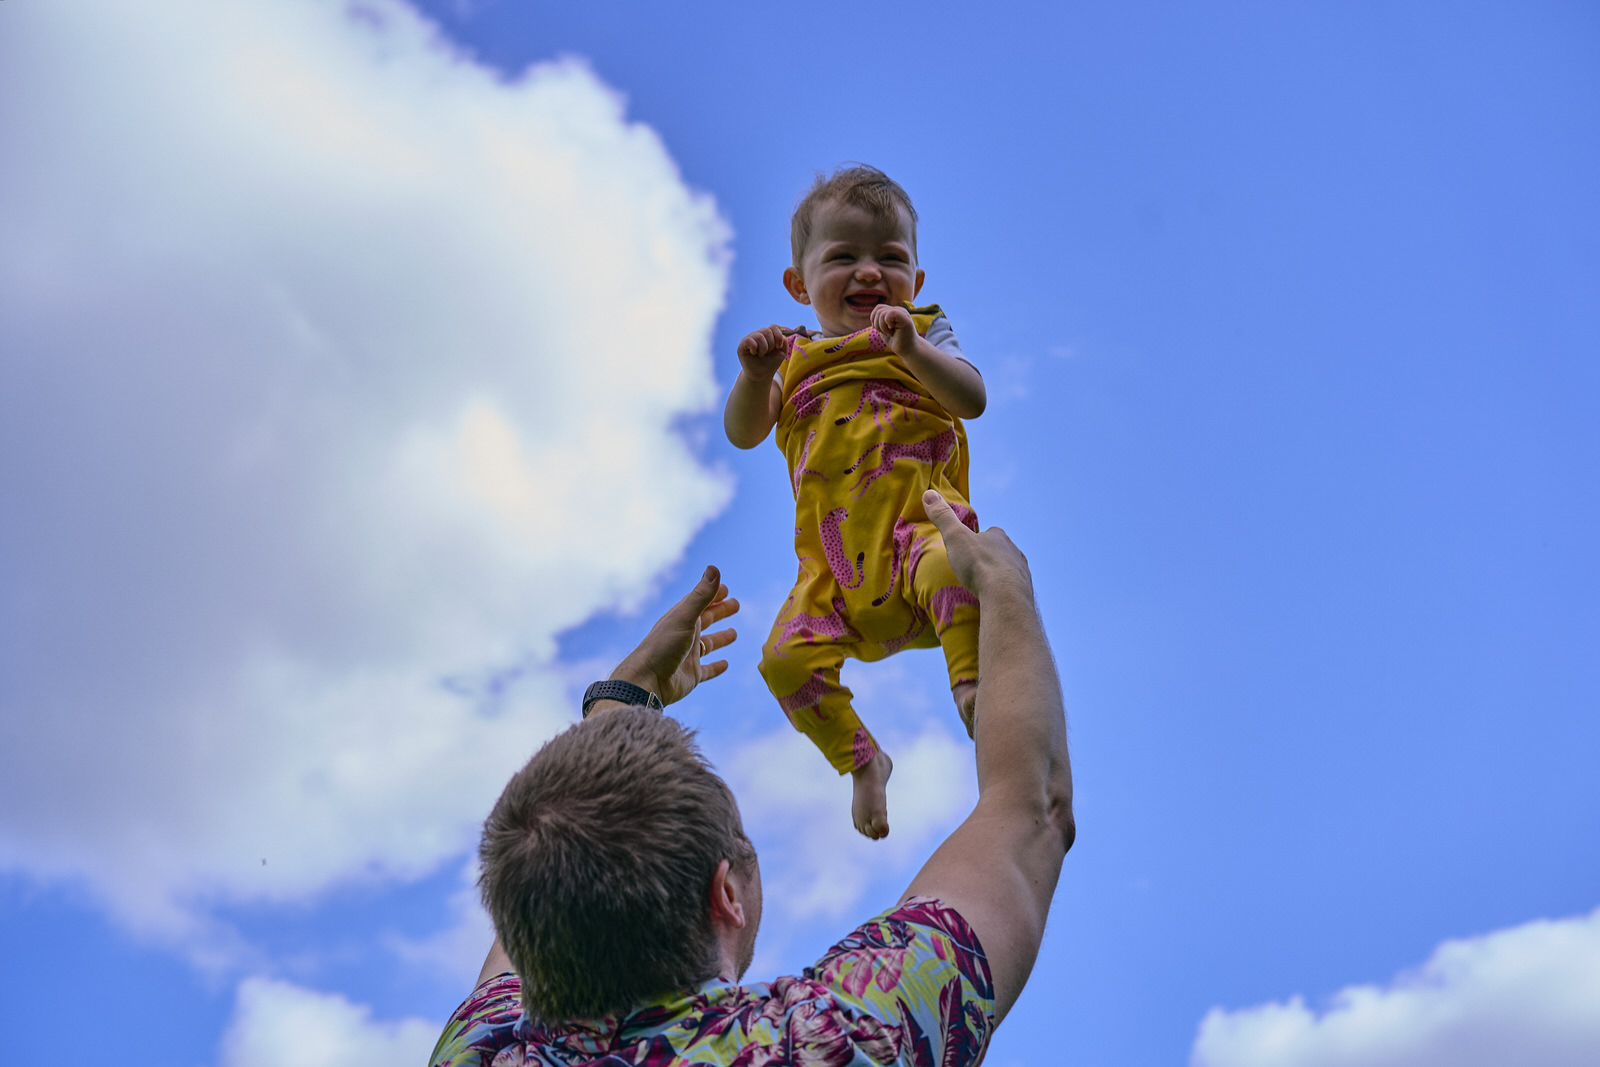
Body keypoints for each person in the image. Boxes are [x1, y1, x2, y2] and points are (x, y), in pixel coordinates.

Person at [430, 490, 1074, 1067]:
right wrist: (1004, 583)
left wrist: (619, 703)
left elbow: (546, 897)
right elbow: (1031, 812)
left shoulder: (484, 1049)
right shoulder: (830, 1043)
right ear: (726, 897)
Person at [723, 165, 988, 840]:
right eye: (844, 256)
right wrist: (755, 377)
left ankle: (972, 687)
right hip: (833, 578)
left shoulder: (923, 329)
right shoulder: (792, 358)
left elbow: (971, 398)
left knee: (954, 561)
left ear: (917, 281)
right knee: (783, 659)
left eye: (891, 259)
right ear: (798, 283)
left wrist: (911, 349)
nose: (870, 272)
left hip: (913, 532)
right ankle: (861, 758)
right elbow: (745, 432)